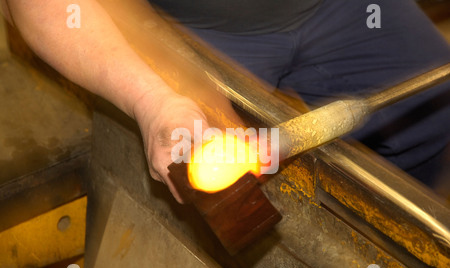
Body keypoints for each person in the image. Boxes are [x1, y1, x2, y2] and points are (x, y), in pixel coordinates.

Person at [1, 0, 449, 202]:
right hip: (196, 26)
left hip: (339, 8)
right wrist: (153, 95)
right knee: (223, 192)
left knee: (437, 111)